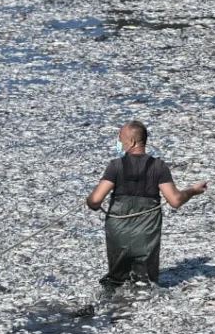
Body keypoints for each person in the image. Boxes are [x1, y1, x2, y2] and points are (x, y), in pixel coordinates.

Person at [86, 120, 208, 287]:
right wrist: (193, 190)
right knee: (145, 284)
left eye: (120, 139)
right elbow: (175, 200)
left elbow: (95, 200)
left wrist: (90, 203)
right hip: (146, 235)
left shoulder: (115, 166)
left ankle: (109, 309)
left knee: (116, 282)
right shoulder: (158, 167)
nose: (119, 143)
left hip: (118, 234)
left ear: (132, 142)